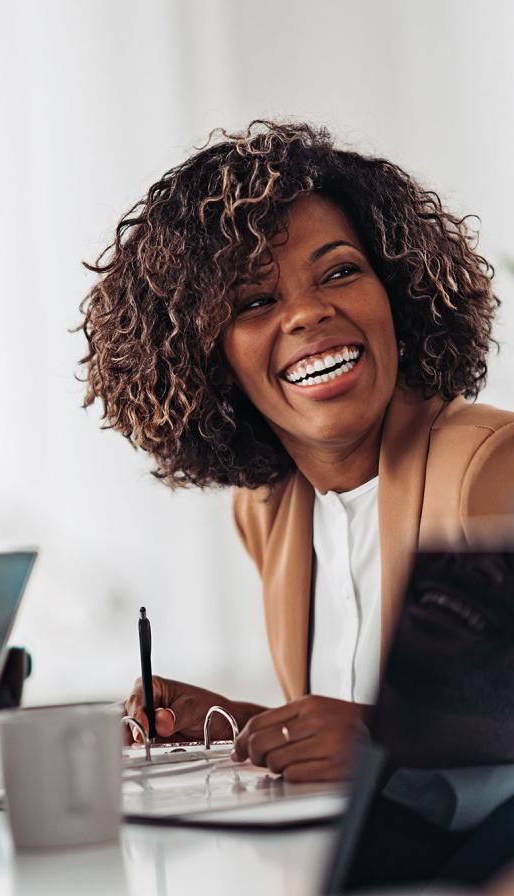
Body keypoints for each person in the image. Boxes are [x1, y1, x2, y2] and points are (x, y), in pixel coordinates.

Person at [78, 121, 514, 782]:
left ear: (396, 291)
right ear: (209, 358)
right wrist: (243, 725)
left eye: (340, 271)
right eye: (255, 301)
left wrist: (384, 739)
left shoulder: (490, 467)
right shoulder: (268, 510)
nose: (307, 314)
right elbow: (362, 725)